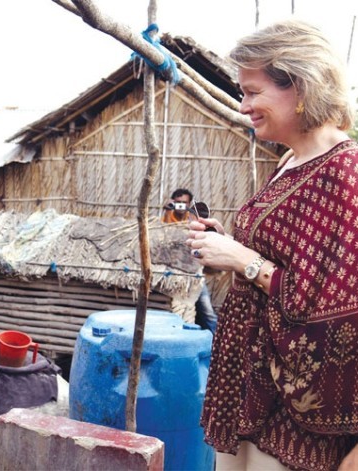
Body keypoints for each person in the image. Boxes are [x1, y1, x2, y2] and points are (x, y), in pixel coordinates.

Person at [186, 20, 358, 471]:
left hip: (293, 404)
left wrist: (243, 261)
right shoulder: (289, 159)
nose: (243, 106)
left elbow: (334, 308)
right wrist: (229, 245)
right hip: (248, 379)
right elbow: (285, 256)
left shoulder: (342, 173)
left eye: (253, 91)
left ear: (299, 86)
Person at [162, 188, 217, 333]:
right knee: (176, 312)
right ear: (173, 202)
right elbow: (163, 235)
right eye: (177, 203)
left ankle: (214, 343)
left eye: (184, 203)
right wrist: (167, 211)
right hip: (173, 275)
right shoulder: (167, 217)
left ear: (189, 204)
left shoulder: (194, 219)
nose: (181, 206)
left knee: (208, 312)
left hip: (194, 275)